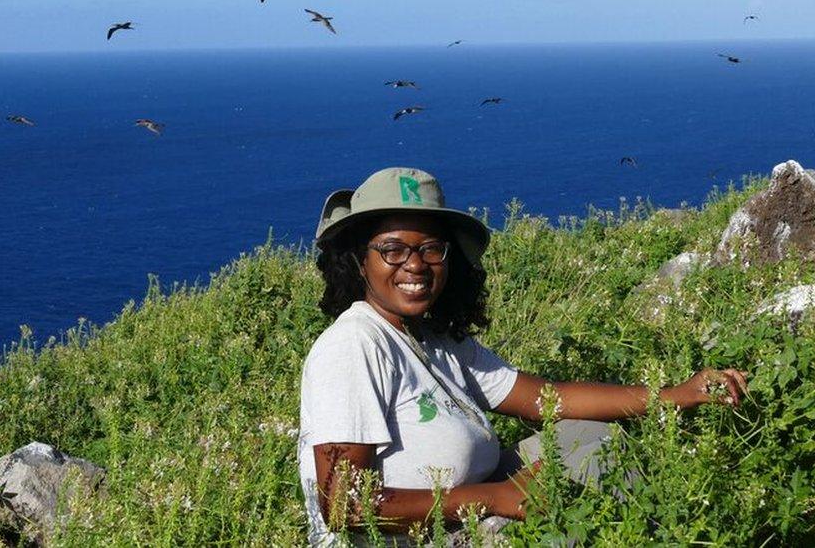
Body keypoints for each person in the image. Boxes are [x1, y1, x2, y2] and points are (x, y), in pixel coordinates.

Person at [297, 167, 749, 546]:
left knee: (588, 440)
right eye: (392, 249)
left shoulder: (432, 336)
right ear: (359, 261)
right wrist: (494, 498)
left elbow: (546, 399)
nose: (415, 265)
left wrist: (677, 394)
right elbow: (345, 507)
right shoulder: (353, 346)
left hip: (468, 506)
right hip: (421, 536)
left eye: (431, 248)